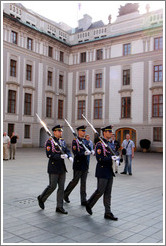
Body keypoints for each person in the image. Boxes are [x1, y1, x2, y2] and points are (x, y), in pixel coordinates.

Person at [37, 125, 73, 214]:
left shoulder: (62, 141)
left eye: (61, 131)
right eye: (59, 131)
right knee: (52, 186)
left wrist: (69, 156)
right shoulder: (49, 142)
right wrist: (59, 156)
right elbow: (49, 154)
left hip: (62, 167)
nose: (61, 132)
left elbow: (66, 150)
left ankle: (59, 207)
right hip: (53, 167)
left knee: (61, 188)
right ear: (54, 132)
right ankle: (41, 198)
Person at [85, 125, 118, 221]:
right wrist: (110, 158)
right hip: (102, 170)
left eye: (111, 131)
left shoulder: (110, 144)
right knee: (100, 191)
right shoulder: (99, 144)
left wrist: (117, 159)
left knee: (108, 193)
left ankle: (108, 212)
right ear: (104, 133)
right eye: (109, 131)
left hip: (109, 171)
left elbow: (115, 153)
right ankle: (89, 204)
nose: (111, 133)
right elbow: (100, 159)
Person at [64, 125, 92, 206]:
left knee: (83, 183)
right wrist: (83, 153)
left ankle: (83, 200)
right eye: (82, 131)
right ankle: (65, 194)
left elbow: (89, 148)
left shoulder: (86, 141)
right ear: (78, 132)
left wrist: (91, 151)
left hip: (85, 164)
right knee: (75, 181)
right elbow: (75, 152)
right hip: (78, 164)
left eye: (84, 131)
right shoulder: (75, 141)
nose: (84, 132)